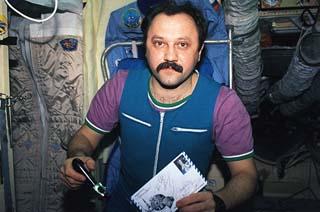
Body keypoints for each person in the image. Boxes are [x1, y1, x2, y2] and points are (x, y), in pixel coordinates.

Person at [59, 1, 257, 212]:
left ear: (199, 52)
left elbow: (246, 175)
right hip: (123, 205)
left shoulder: (224, 105)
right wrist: (77, 156)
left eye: (182, 44)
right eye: (159, 43)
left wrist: (220, 200)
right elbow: (86, 137)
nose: (170, 56)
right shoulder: (119, 86)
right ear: (146, 49)